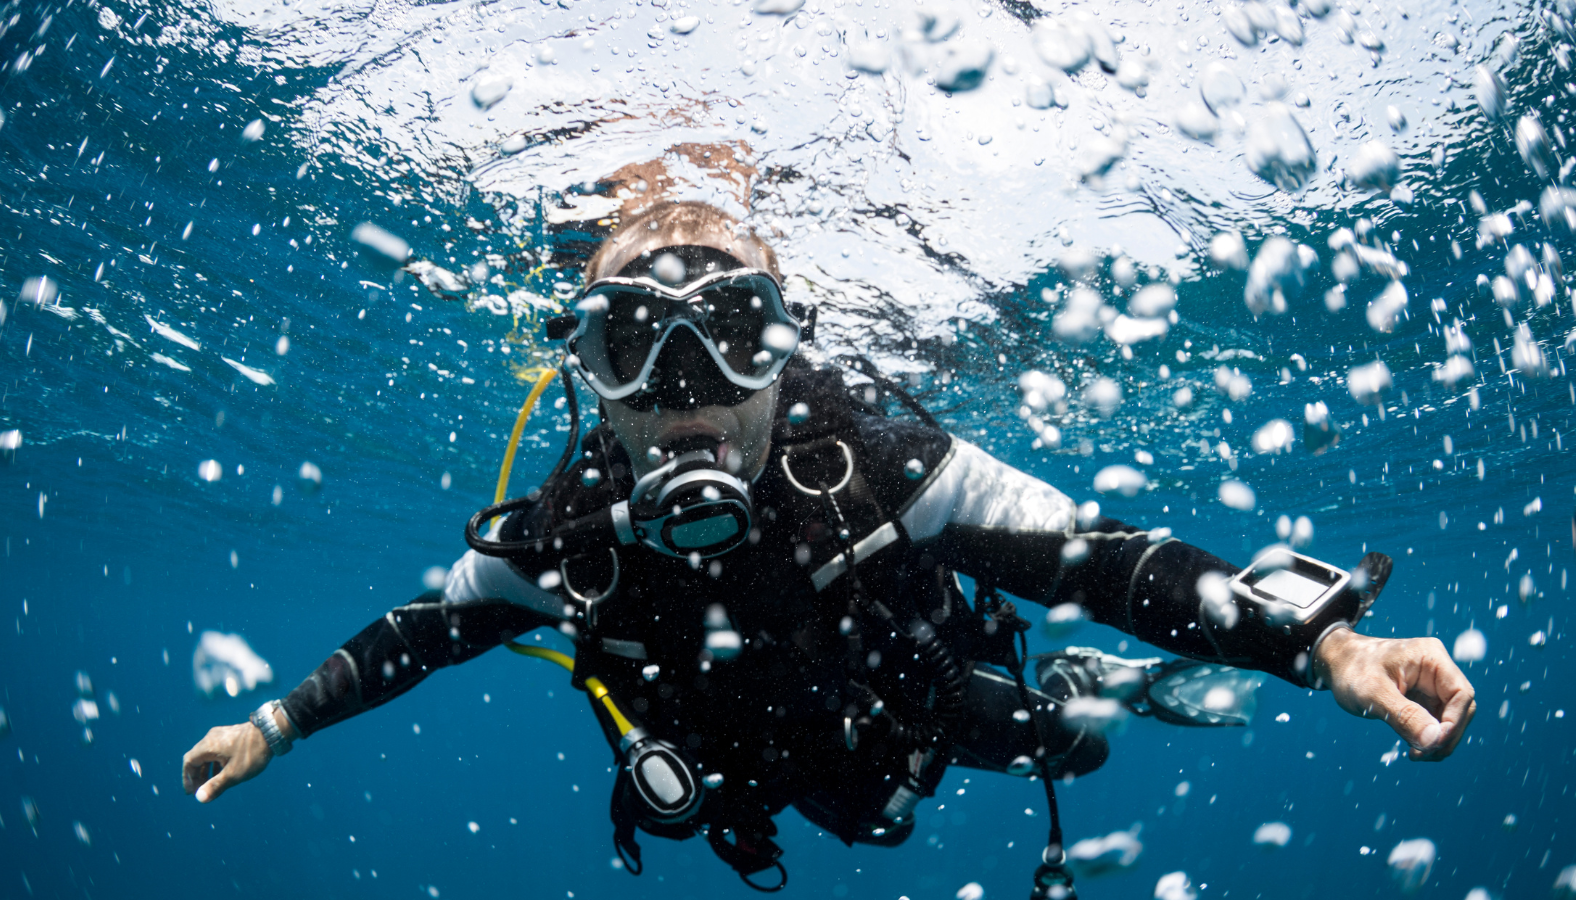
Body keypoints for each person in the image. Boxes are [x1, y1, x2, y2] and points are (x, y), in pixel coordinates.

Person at [182, 200, 1476, 896]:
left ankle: (1092, 698)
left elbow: (1104, 557)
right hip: (757, 770)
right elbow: (426, 632)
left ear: (785, 347)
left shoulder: (881, 465)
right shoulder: (565, 534)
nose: (686, 385)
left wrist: (1326, 645)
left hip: (921, 696)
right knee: (868, 834)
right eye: (632, 340)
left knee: (1050, 739)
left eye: (733, 329)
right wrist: (276, 726)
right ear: (586, 369)